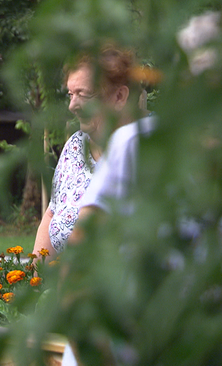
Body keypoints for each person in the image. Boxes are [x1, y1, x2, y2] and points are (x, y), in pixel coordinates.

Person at [33, 45, 144, 258]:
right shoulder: (75, 147)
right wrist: (33, 281)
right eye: (70, 94)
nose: (72, 105)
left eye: (84, 94)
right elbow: (52, 214)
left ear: (120, 96)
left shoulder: (150, 145)